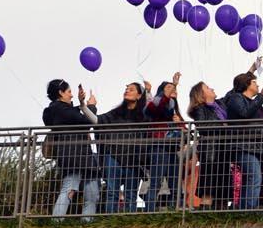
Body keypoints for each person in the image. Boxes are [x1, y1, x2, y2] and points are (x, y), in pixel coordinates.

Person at [41, 79, 100, 219]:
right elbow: (87, 122)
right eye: (69, 92)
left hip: (82, 156)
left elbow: (76, 119)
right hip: (75, 156)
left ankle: (86, 223)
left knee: (92, 194)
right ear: (60, 93)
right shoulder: (60, 109)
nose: (71, 95)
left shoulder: (58, 110)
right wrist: (91, 106)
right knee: (69, 189)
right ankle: (56, 223)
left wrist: (81, 103)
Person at [97, 81, 149, 213]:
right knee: (112, 192)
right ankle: (110, 222)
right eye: (126, 89)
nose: (127, 91)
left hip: (135, 160)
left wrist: (148, 92)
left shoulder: (144, 115)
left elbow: (156, 111)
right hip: (114, 155)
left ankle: (127, 223)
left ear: (139, 96)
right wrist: (86, 105)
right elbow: (97, 121)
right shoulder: (116, 113)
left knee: (131, 195)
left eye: (131, 89)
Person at [223, 71, 263, 209]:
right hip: (242, 146)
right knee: (255, 177)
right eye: (254, 82)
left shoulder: (253, 102)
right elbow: (245, 113)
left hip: (255, 147)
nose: (257, 85)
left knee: (251, 179)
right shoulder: (235, 98)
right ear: (247, 84)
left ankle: (243, 210)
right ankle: (248, 211)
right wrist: (262, 96)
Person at [143, 74, 184, 211]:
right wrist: (173, 85)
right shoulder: (156, 105)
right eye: (168, 87)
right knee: (156, 183)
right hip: (159, 147)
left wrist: (180, 125)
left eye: (173, 88)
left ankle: (176, 211)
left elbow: (185, 132)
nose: (172, 89)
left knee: (176, 183)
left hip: (172, 149)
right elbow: (158, 107)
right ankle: (149, 213)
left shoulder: (174, 111)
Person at [187, 81, 231, 207]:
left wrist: (251, 70)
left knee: (223, 184)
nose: (211, 88)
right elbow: (203, 126)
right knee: (209, 184)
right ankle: (206, 213)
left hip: (224, 149)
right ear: (201, 94)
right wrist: (223, 126)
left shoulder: (220, 104)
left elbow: (235, 90)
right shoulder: (200, 108)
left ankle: (220, 212)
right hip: (211, 150)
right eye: (207, 87)